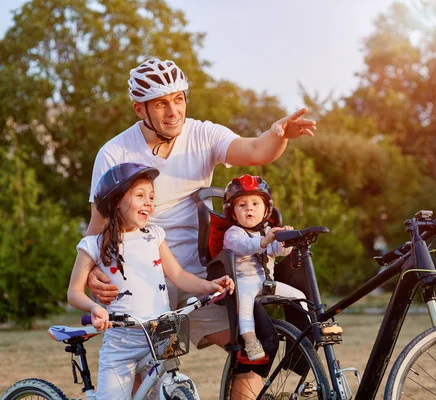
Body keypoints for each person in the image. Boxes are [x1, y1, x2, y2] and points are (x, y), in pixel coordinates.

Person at [85, 58, 316, 398]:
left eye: (178, 99)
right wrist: (90, 274)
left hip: (197, 275)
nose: (173, 110)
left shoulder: (203, 134)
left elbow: (255, 150)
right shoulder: (115, 153)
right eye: (161, 103)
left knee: (259, 343)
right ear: (140, 109)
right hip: (143, 280)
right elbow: (97, 227)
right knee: (144, 384)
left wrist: (277, 135)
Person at [68, 162, 235, 400]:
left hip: (162, 333)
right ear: (115, 202)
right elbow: (74, 292)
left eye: (151, 197)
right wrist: (94, 307)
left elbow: (178, 275)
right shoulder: (93, 245)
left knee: (169, 391)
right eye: (140, 195)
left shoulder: (154, 236)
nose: (149, 202)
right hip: (122, 342)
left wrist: (210, 286)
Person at [222, 174, 306, 361]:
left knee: (300, 296)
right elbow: (244, 246)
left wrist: (285, 241)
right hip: (245, 282)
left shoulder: (268, 231)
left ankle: (306, 335)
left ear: (266, 210)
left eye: (255, 204)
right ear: (233, 213)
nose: (249, 208)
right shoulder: (232, 234)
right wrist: (264, 240)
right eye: (242, 205)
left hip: (267, 281)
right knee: (244, 303)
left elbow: (278, 252)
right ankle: (250, 341)